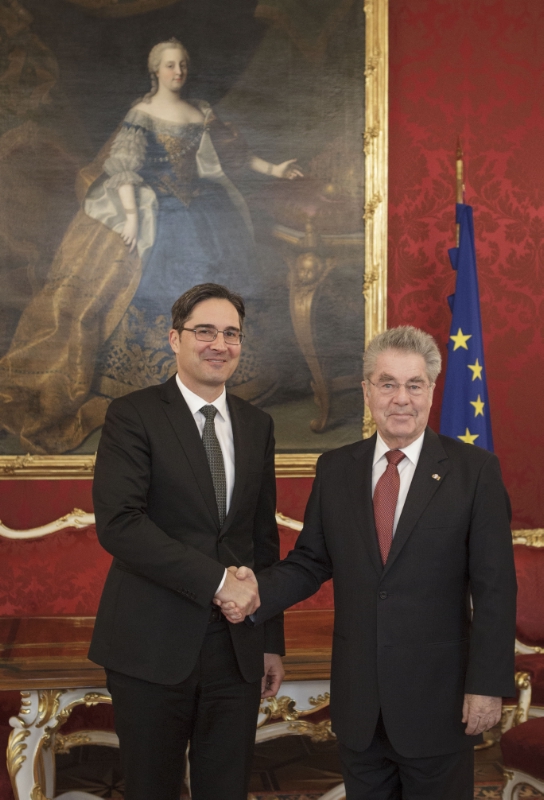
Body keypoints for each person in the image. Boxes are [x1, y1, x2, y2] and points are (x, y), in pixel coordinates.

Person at [219, 325, 517, 799]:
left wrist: (486, 686)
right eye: (387, 383)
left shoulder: (474, 472)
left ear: (431, 391)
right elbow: (310, 562)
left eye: (414, 385)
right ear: (366, 391)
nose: (401, 398)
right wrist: (255, 592)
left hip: (438, 705)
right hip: (360, 706)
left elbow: (496, 590)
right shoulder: (336, 468)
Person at [0, 37, 301, 455]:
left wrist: (275, 168)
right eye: (170, 65)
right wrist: (131, 216)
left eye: (183, 65)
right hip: (157, 209)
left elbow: (235, 156)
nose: (178, 72)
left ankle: (218, 377)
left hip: (205, 209)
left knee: (217, 291)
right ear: (155, 70)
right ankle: (157, 383)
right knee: (156, 286)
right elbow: (123, 168)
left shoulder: (200, 111)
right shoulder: (141, 114)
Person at [88, 283, 284, 800]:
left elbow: (262, 538)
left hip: (236, 650)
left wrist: (270, 640)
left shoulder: (257, 425)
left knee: (227, 788)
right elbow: (120, 524)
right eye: (205, 331)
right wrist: (219, 582)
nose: (219, 344)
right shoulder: (133, 415)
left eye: (231, 334)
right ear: (175, 339)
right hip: (151, 644)